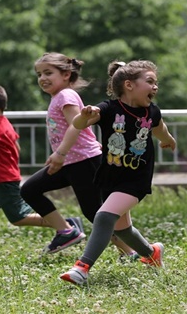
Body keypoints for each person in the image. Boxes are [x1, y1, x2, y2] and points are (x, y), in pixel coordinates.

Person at [59, 60, 177, 285]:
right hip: (110, 177)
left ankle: (82, 268)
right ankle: (152, 253)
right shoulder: (107, 109)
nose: (155, 87)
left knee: (104, 216)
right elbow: (78, 123)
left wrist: (168, 140)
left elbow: (160, 128)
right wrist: (84, 115)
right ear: (129, 85)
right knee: (123, 230)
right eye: (150, 81)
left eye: (156, 83)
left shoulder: (152, 111)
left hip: (136, 179)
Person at [20, 52, 135, 257]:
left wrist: (60, 153)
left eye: (48, 72)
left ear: (65, 74)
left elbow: (78, 126)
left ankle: (131, 251)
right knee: (30, 189)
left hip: (85, 161)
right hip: (69, 163)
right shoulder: (59, 97)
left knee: (96, 213)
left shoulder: (66, 95)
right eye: (39, 74)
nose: (42, 78)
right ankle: (66, 231)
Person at [0, 81, 76, 251]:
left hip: (1, 178)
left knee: (19, 218)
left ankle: (67, 226)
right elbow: (16, 147)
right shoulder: (4, 121)